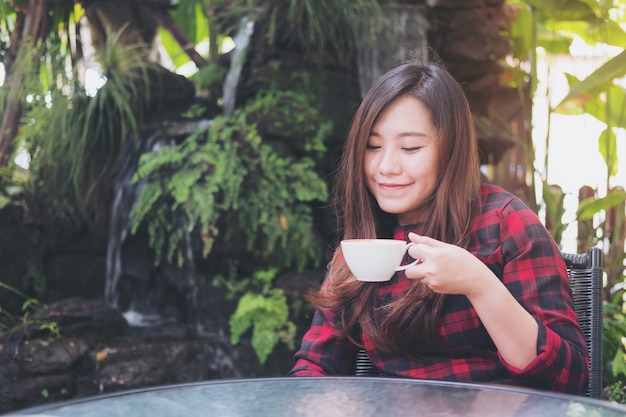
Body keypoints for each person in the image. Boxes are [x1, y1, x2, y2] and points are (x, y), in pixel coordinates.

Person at [288, 60, 589, 395]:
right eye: (373, 146)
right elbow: (314, 365)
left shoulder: (505, 224)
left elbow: (570, 378)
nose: (386, 166)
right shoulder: (367, 241)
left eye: (410, 148)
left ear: (451, 149)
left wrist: (480, 286)